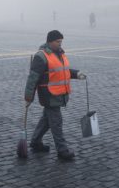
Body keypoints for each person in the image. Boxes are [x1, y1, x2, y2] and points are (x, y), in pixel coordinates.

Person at [24, 30, 85, 161]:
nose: (60, 44)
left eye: (61, 41)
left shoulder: (59, 54)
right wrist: (29, 98)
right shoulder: (41, 56)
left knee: (47, 120)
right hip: (49, 95)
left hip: (58, 94)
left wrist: (76, 74)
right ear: (50, 41)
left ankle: (35, 142)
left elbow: (63, 71)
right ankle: (62, 151)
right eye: (58, 42)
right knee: (56, 123)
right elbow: (33, 78)